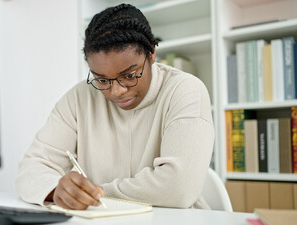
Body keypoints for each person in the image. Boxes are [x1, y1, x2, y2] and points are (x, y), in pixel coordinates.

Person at [16, 3, 214, 210]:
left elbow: (177, 189)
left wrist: (92, 193)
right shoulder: (78, 98)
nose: (116, 91)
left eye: (129, 75)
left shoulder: (185, 90)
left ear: (151, 53)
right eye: (101, 80)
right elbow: (31, 169)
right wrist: (57, 190)